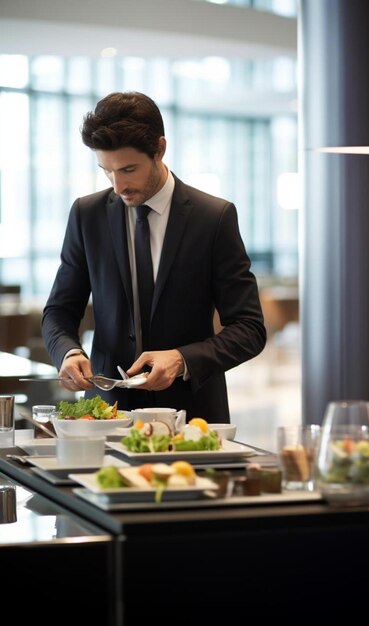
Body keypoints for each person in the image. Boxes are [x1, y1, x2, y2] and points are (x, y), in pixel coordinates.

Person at [41, 91, 266, 422]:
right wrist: (68, 352)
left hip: (192, 418)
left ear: (160, 149)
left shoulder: (213, 217)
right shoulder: (87, 215)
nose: (118, 185)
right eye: (107, 171)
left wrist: (182, 359)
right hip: (104, 416)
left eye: (129, 169)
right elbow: (59, 311)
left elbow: (249, 329)